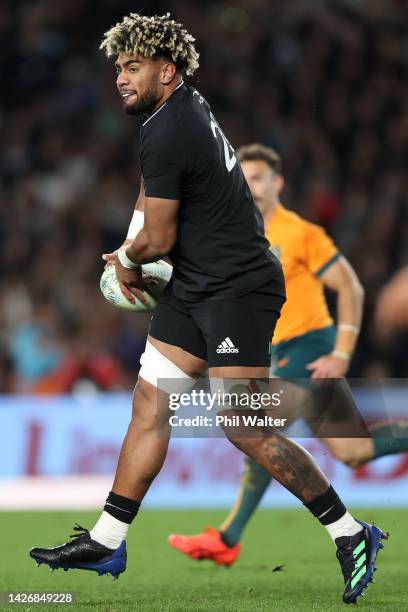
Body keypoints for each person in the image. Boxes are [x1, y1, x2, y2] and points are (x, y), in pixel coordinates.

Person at [29, 14, 386, 604]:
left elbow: (161, 238)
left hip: (237, 291)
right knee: (150, 403)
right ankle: (107, 539)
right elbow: (153, 197)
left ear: (166, 70)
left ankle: (352, 534)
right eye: (118, 67)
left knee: (244, 427)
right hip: (196, 290)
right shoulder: (171, 114)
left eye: (132, 67)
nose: (120, 77)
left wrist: (125, 261)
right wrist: (129, 242)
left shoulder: (169, 128)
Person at [169, 143, 407, 569]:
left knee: (252, 425)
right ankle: (229, 537)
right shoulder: (239, 237)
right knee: (355, 450)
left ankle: (228, 537)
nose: (251, 186)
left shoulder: (301, 233)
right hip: (281, 353)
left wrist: (342, 352)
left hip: (310, 349)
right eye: (243, 178)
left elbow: (350, 287)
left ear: (278, 183)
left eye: (258, 177)